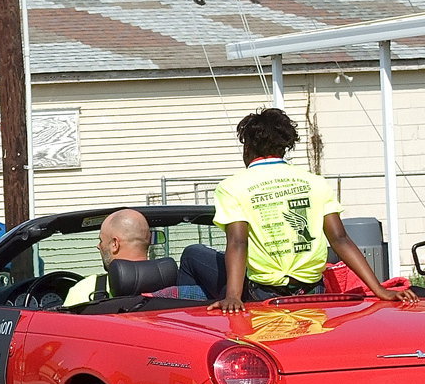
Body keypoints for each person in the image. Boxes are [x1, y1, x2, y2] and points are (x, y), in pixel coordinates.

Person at [178, 108, 417, 313]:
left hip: (260, 293)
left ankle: (188, 320)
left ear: (248, 146)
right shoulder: (315, 182)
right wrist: (379, 290)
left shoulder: (232, 187)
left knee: (192, 254)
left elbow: (238, 243)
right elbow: (340, 239)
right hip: (313, 290)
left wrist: (233, 297)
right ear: (284, 147)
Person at [63, 209, 151, 307]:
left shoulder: (84, 290)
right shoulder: (169, 287)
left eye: (101, 240)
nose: (98, 246)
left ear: (115, 244)